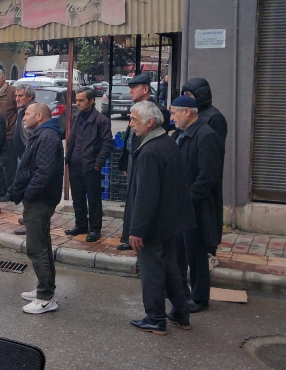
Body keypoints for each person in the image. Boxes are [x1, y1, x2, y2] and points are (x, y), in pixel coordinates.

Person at [126, 101, 195, 336]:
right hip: (171, 222)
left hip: (155, 225)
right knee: (170, 267)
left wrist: (136, 231)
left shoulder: (150, 151)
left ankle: (155, 319)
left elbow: (146, 196)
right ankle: (180, 314)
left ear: (150, 122)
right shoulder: (167, 143)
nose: (131, 123)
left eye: (134, 119)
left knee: (152, 272)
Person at [171, 96, 224, 313]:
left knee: (197, 253)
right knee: (180, 251)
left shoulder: (206, 135)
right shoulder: (183, 135)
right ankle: (182, 291)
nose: (171, 117)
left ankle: (200, 298)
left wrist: (187, 201)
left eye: (174, 112)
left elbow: (207, 177)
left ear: (187, 112)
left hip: (197, 208)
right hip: (183, 206)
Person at [11, 103, 64, 315]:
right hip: (38, 199)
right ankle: (45, 288)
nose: (24, 118)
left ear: (40, 116)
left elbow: (44, 172)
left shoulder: (48, 136)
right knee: (42, 245)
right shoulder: (44, 133)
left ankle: (45, 298)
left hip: (40, 201)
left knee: (37, 247)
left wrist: (29, 194)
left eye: (28, 114)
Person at [118, 73, 172, 250]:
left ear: (146, 89)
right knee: (132, 197)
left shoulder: (156, 110)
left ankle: (137, 235)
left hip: (146, 160)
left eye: (134, 87)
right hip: (134, 159)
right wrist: (125, 161)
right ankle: (129, 236)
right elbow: (130, 137)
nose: (131, 91)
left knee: (141, 196)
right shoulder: (137, 108)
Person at [182, 77, 228, 265]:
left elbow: (213, 152)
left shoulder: (214, 118)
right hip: (190, 176)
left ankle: (210, 252)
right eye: (184, 95)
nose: (187, 98)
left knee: (208, 215)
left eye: (190, 95)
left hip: (206, 177)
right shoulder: (193, 116)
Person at [64, 87, 114, 242]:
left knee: (93, 199)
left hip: (91, 166)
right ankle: (81, 225)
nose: (77, 103)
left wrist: (98, 163)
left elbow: (107, 144)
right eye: (76, 100)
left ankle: (95, 229)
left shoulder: (101, 120)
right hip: (74, 164)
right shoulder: (77, 117)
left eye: (81, 100)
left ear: (91, 101)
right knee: (77, 198)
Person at [11, 83, 37, 235]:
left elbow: (33, 137)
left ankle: (30, 222)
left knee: (29, 191)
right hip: (23, 157)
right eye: (16, 96)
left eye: (20, 96)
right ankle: (27, 217)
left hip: (29, 157)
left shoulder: (32, 111)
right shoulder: (23, 110)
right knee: (24, 189)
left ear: (30, 97)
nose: (17, 99)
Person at [0, 69, 17, 201]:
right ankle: (2, 190)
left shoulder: (12, 91)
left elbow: (19, 112)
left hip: (10, 134)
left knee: (9, 166)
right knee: (0, 164)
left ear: (3, 78)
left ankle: (11, 192)